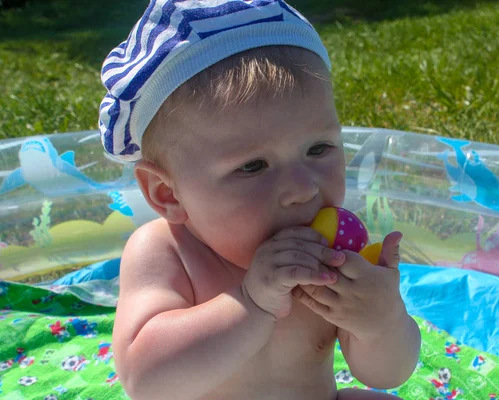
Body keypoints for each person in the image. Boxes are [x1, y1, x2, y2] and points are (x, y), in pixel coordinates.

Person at [98, 1, 421, 399]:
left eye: (319, 148)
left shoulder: (332, 257)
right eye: (253, 167)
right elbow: (146, 382)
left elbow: (386, 373)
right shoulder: (166, 251)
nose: (303, 189)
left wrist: (381, 319)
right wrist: (252, 302)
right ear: (167, 194)